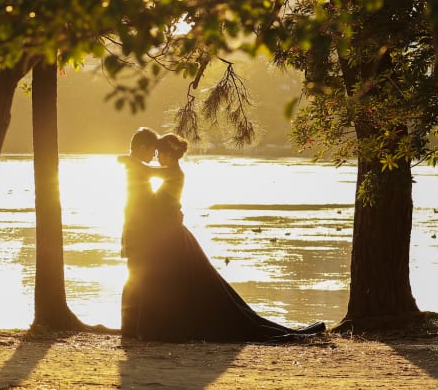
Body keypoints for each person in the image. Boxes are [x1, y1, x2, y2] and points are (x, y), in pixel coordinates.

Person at [135, 132, 326, 342]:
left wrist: (130, 161)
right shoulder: (169, 171)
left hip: (174, 238)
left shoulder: (173, 172)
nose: (156, 157)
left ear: (167, 154)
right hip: (172, 236)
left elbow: (146, 172)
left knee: (196, 284)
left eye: (158, 153)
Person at [118, 127, 163, 338]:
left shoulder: (134, 166)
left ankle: (133, 325)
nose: (153, 157)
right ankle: (129, 327)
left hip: (136, 231)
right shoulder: (135, 167)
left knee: (137, 277)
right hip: (137, 232)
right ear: (143, 148)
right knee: (136, 277)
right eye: (152, 151)